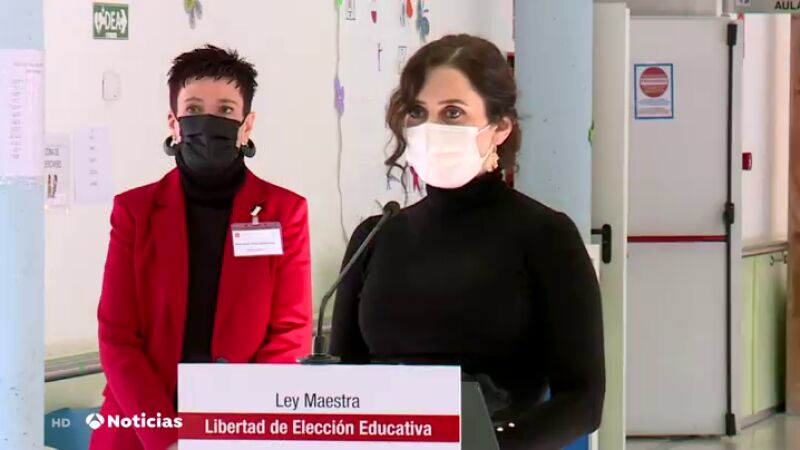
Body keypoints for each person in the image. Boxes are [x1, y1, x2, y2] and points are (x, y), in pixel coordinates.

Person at [330, 34, 605, 450]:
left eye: (453, 113)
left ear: (500, 128)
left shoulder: (547, 236)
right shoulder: (376, 236)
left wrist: (492, 445)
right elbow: (341, 381)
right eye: (418, 112)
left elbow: (583, 400)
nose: (430, 129)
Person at [90, 45, 312, 450]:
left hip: (243, 432)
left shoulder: (286, 211)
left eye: (226, 110)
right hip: (139, 433)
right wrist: (166, 437)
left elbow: (290, 334)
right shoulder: (134, 211)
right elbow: (117, 337)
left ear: (247, 125)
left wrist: (231, 431)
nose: (208, 122)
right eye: (193, 108)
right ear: (173, 123)